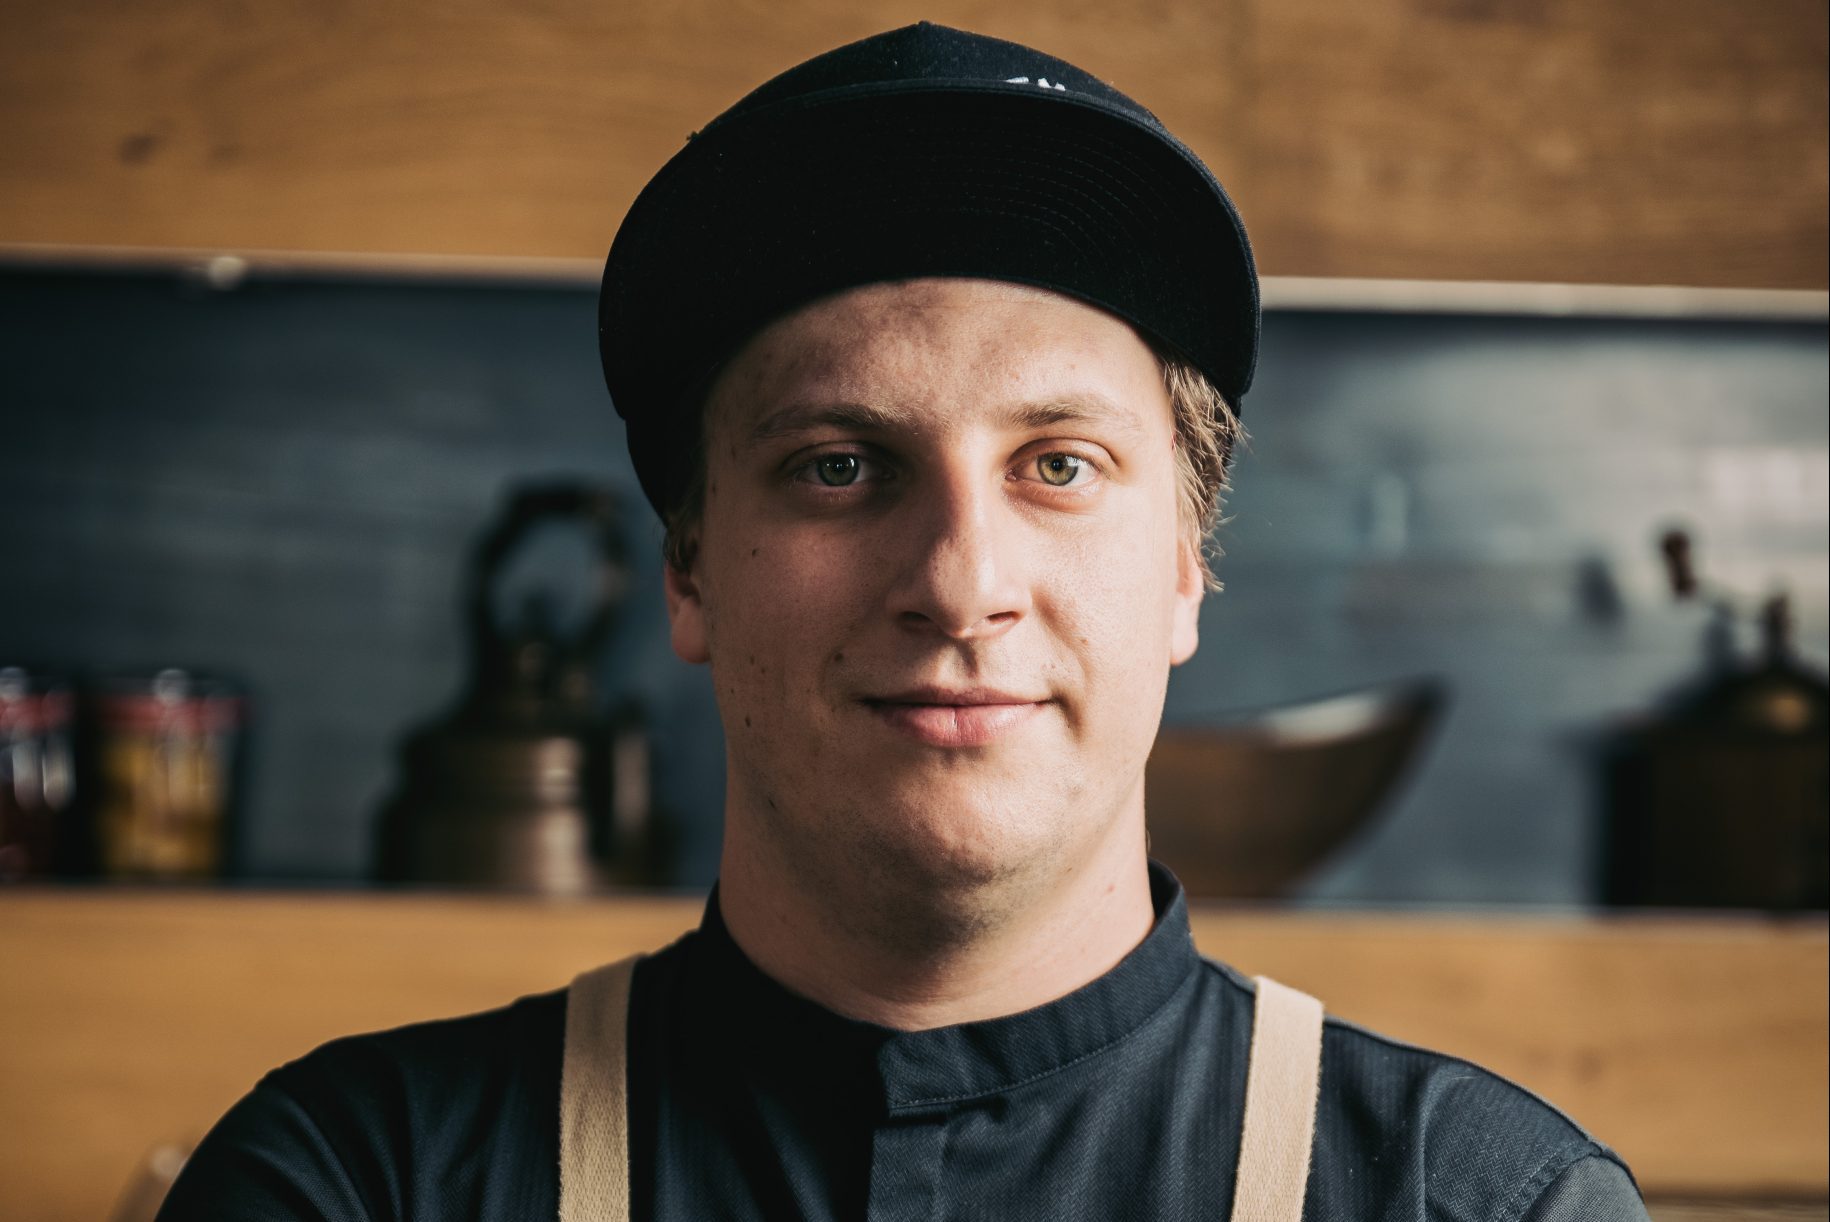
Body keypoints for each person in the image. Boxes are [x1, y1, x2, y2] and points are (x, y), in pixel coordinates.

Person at [159, 23, 1651, 1222]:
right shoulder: (355, 1180)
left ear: (1185, 571)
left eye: (1058, 465)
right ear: (687, 572)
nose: (957, 579)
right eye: (839, 467)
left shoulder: (1482, 1201)